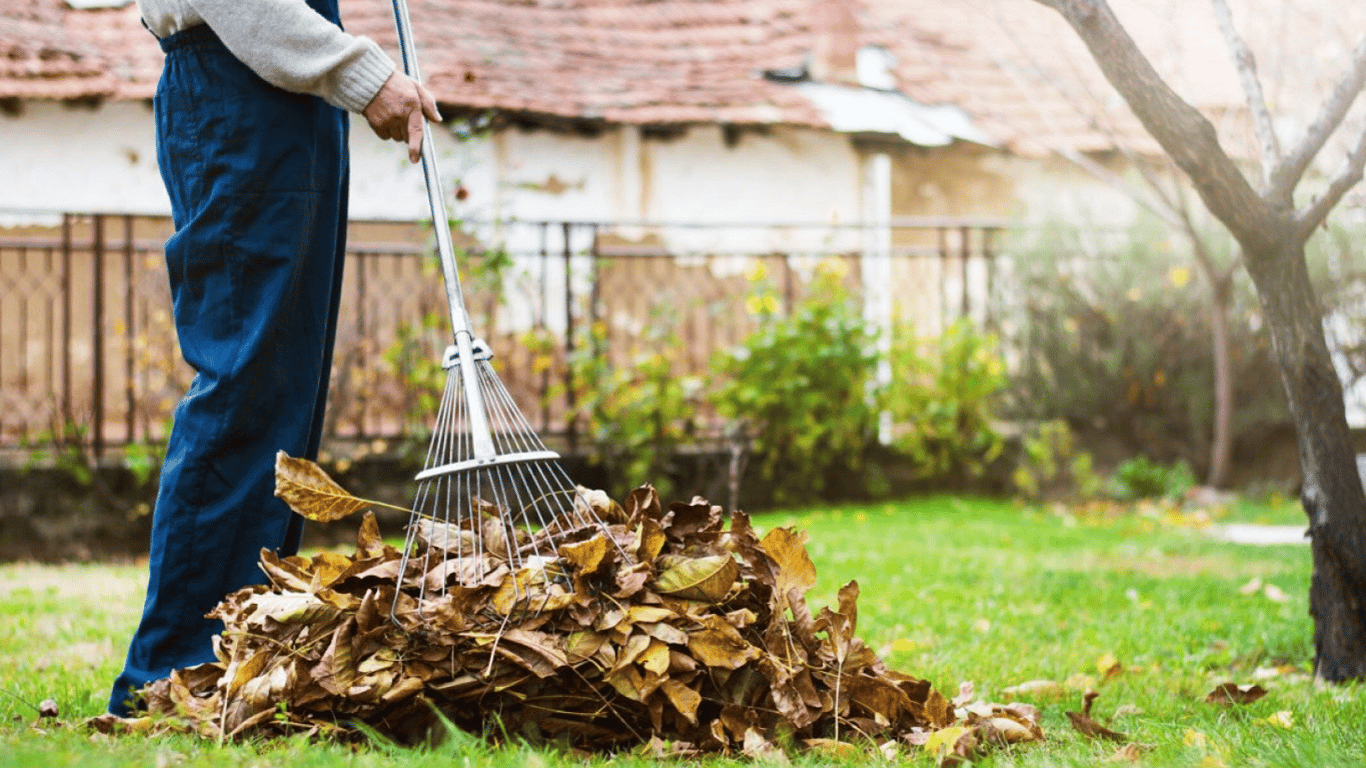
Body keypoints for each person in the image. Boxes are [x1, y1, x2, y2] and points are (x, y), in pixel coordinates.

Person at [108, 0, 440, 716]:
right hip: (237, 90)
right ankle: (172, 673)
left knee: (284, 396)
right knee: (246, 384)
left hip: (284, 101)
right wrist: (363, 73)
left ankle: (244, 656)